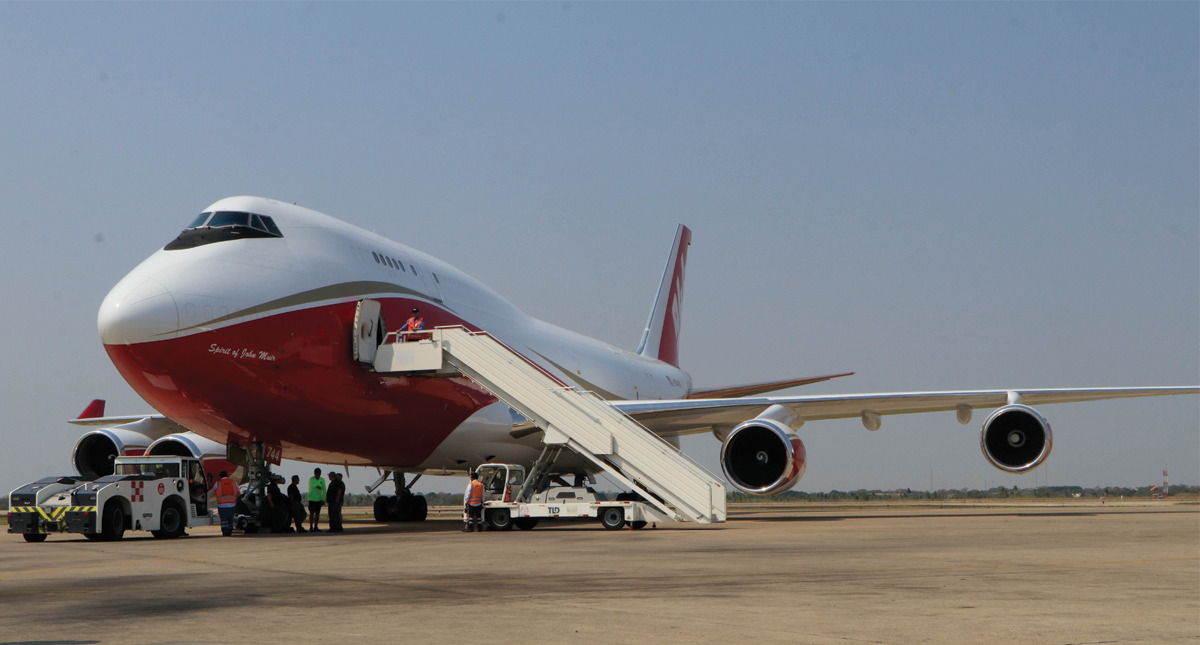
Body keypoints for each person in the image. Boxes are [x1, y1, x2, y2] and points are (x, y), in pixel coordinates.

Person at [210, 470, 240, 537]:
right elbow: (238, 492)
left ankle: (225, 532)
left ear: (220, 476)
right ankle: (230, 531)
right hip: (232, 505)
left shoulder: (218, 483)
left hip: (222, 505)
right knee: (230, 518)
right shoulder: (233, 482)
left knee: (224, 520)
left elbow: (213, 492)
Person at [308, 468, 326, 532]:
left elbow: (324, 490)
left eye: (319, 474)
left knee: (317, 514)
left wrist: (323, 499)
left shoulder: (322, 480)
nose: (317, 476)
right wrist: (317, 486)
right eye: (316, 474)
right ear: (314, 474)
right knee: (311, 513)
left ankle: (316, 526)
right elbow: (312, 485)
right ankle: (311, 526)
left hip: (319, 499)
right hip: (312, 499)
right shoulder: (311, 479)